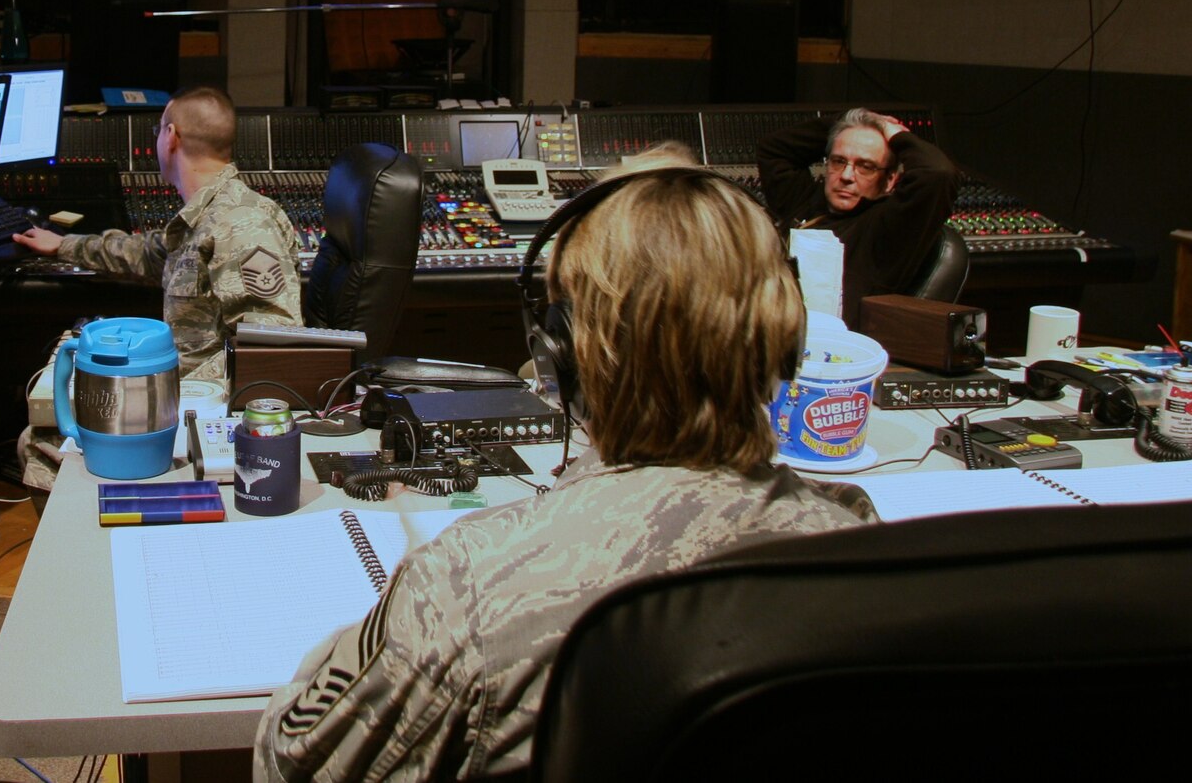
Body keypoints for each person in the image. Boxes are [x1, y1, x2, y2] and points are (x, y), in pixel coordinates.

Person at [255, 164, 872, 782]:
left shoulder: (468, 584)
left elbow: (289, 763)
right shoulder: (860, 543)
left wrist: (397, 611)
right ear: (785, 344)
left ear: (563, 358)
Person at [12, 85, 301, 381]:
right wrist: (65, 245)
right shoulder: (205, 218)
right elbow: (147, 253)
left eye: (158, 130)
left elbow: (270, 347)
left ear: (171, 137)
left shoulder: (242, 223)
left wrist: (169, 391)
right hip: (184, 396)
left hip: (203, 405)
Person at [755, 107, 958, 325]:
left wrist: (892, 132)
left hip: (827, 346)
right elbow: (774, 149)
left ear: (890, 180)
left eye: (866, 167)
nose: (846, 176)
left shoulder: (888, 226)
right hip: (768, 326)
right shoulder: (805, 199)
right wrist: (850, 122)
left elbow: (937, 174)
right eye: (838, 161)